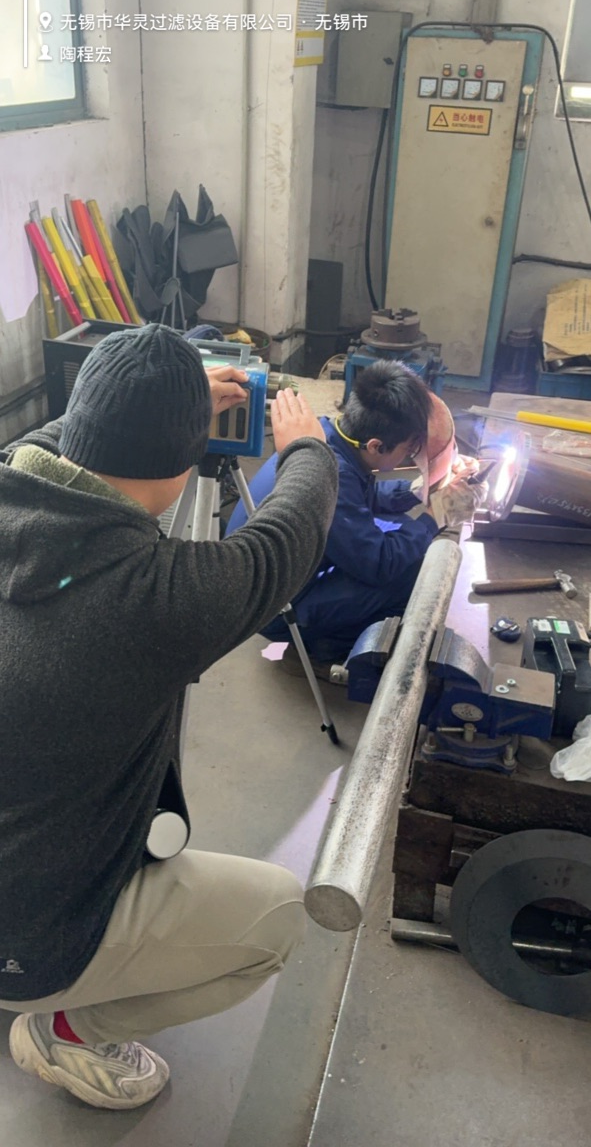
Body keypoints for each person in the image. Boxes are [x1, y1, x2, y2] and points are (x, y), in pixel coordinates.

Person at [0, 323, 338, 1111]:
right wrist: (307, 449)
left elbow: (44, 445)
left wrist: (150, 402)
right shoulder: (157, 597)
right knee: (278, 918)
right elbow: (283, 542)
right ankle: (68, 1030)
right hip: (30, 932)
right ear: (186, 462)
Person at [226, 359, 480, 669]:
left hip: (271, 581)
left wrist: (419, 491)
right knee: (412, 568)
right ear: (376, 446)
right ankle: (330, 648)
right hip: (273, 611)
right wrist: (434, 515)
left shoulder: (327, 434)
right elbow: (380, 563)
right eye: (409, 450)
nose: (411, 458)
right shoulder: (333, 475)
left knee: (403, 532)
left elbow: (362, 496)